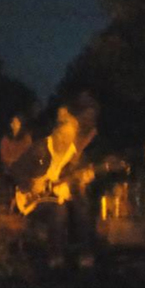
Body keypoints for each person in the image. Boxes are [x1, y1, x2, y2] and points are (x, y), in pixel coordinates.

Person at [14, 105, 95, 271]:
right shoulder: (39, 148)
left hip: (62, 196)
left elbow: (80, 179)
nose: (65, 142)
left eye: (70, 137)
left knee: (83, 204)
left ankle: (85, 253)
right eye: (63, 137)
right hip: (35, 200)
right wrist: (30, 183)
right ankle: (55, 257)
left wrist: (85, 180)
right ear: (55, 133)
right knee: (59, 209)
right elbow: (16, 170)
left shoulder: (75, 155)